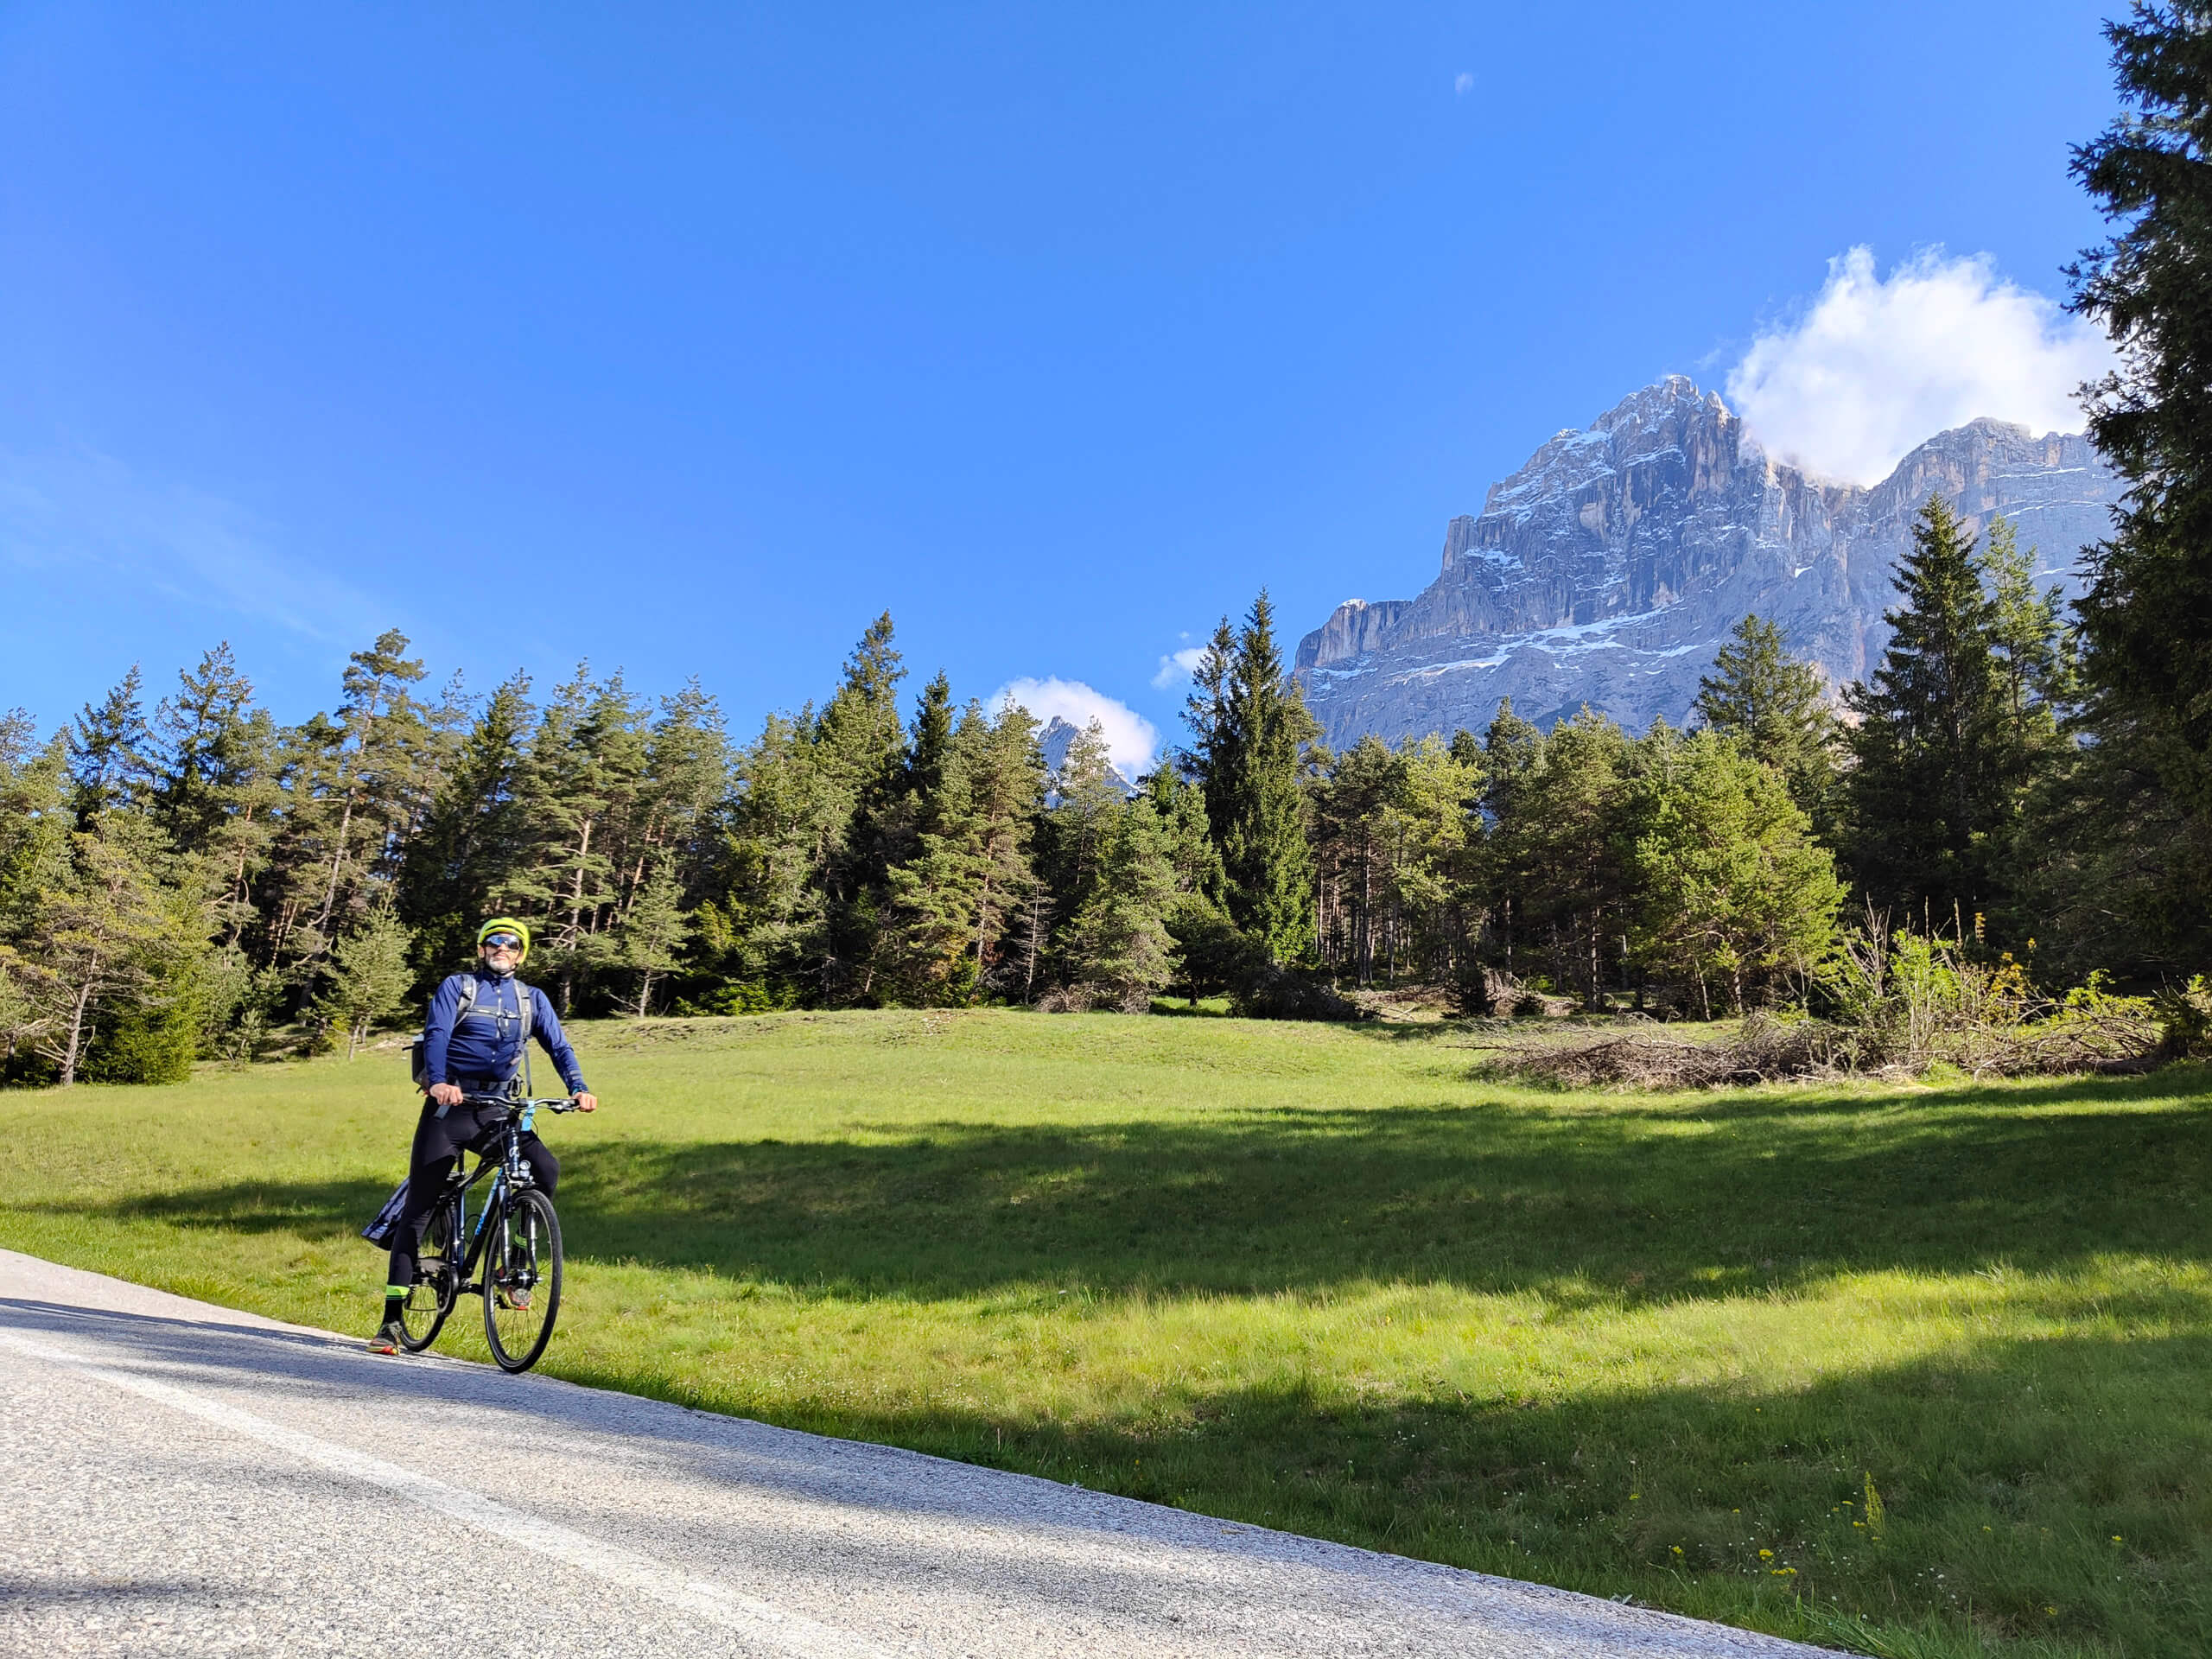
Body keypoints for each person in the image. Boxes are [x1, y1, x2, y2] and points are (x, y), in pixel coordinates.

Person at [369, 917, 599, 1354]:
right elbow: (437, 1034)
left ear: (522, 953)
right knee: (419, 1210)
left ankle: (511, 1263)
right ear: (480, 949)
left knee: (544, 1168)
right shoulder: (457, 987)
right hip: (449, 1108)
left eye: (512, 945)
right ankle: (390, 1323)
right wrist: (438, 1080)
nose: (502, 949)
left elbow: (559, 1046)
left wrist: (578, 1087)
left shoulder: (533, 999)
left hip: (499, 1110)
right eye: (494, 943)